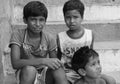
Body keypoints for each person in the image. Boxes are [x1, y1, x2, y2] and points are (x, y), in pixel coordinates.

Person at [57, 0, 116, 84]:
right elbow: (58, 59)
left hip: (87, 71)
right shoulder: (60, 37)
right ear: (64, 17)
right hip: (69, 73)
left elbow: (91, 55)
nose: (72, 21)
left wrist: (93, 69)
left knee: (110, 80)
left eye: (75, 17)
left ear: (82, 17)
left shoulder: (89, 35)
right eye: (68, 17)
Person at [9, 1, 68, 84]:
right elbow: (15, 63)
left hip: (44, 73)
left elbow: (54, 62)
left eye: (41, 20)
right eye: (33, 19)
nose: (37, 24)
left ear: (45, 21)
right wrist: (43, 61)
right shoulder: (18, 34)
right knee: (30, 70)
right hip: (26, 73)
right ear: (25, 20)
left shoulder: (49, 38)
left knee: (58, 69)